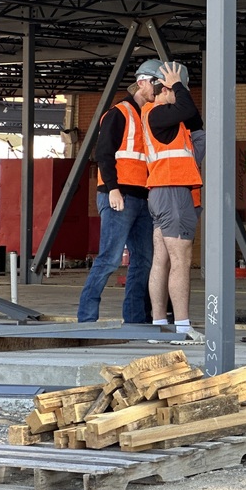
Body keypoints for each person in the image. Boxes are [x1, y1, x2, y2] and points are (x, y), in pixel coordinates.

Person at [77, 60, 160, 323]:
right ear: (143, 82)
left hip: (141, 197)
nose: (158, 92)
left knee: (143, 261)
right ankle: (86, 318)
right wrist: (113, 190)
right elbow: (103, 154)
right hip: (119, 196)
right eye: (156, 86)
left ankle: (135, 319)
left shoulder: (145, 116)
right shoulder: (119, 113)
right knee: (109, 260)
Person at [142, 61, 205, 344]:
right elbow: (188, 109)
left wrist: (177, 88)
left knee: (162, 260)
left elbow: (194, 120)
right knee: (181, 259)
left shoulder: (162, 117)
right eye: (179, 90)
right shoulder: (158, 114)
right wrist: (178, 84)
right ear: (166, 87)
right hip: (172, 191)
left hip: (159, 192)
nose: (183, 94)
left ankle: (159, 325)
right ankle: (181, 327)